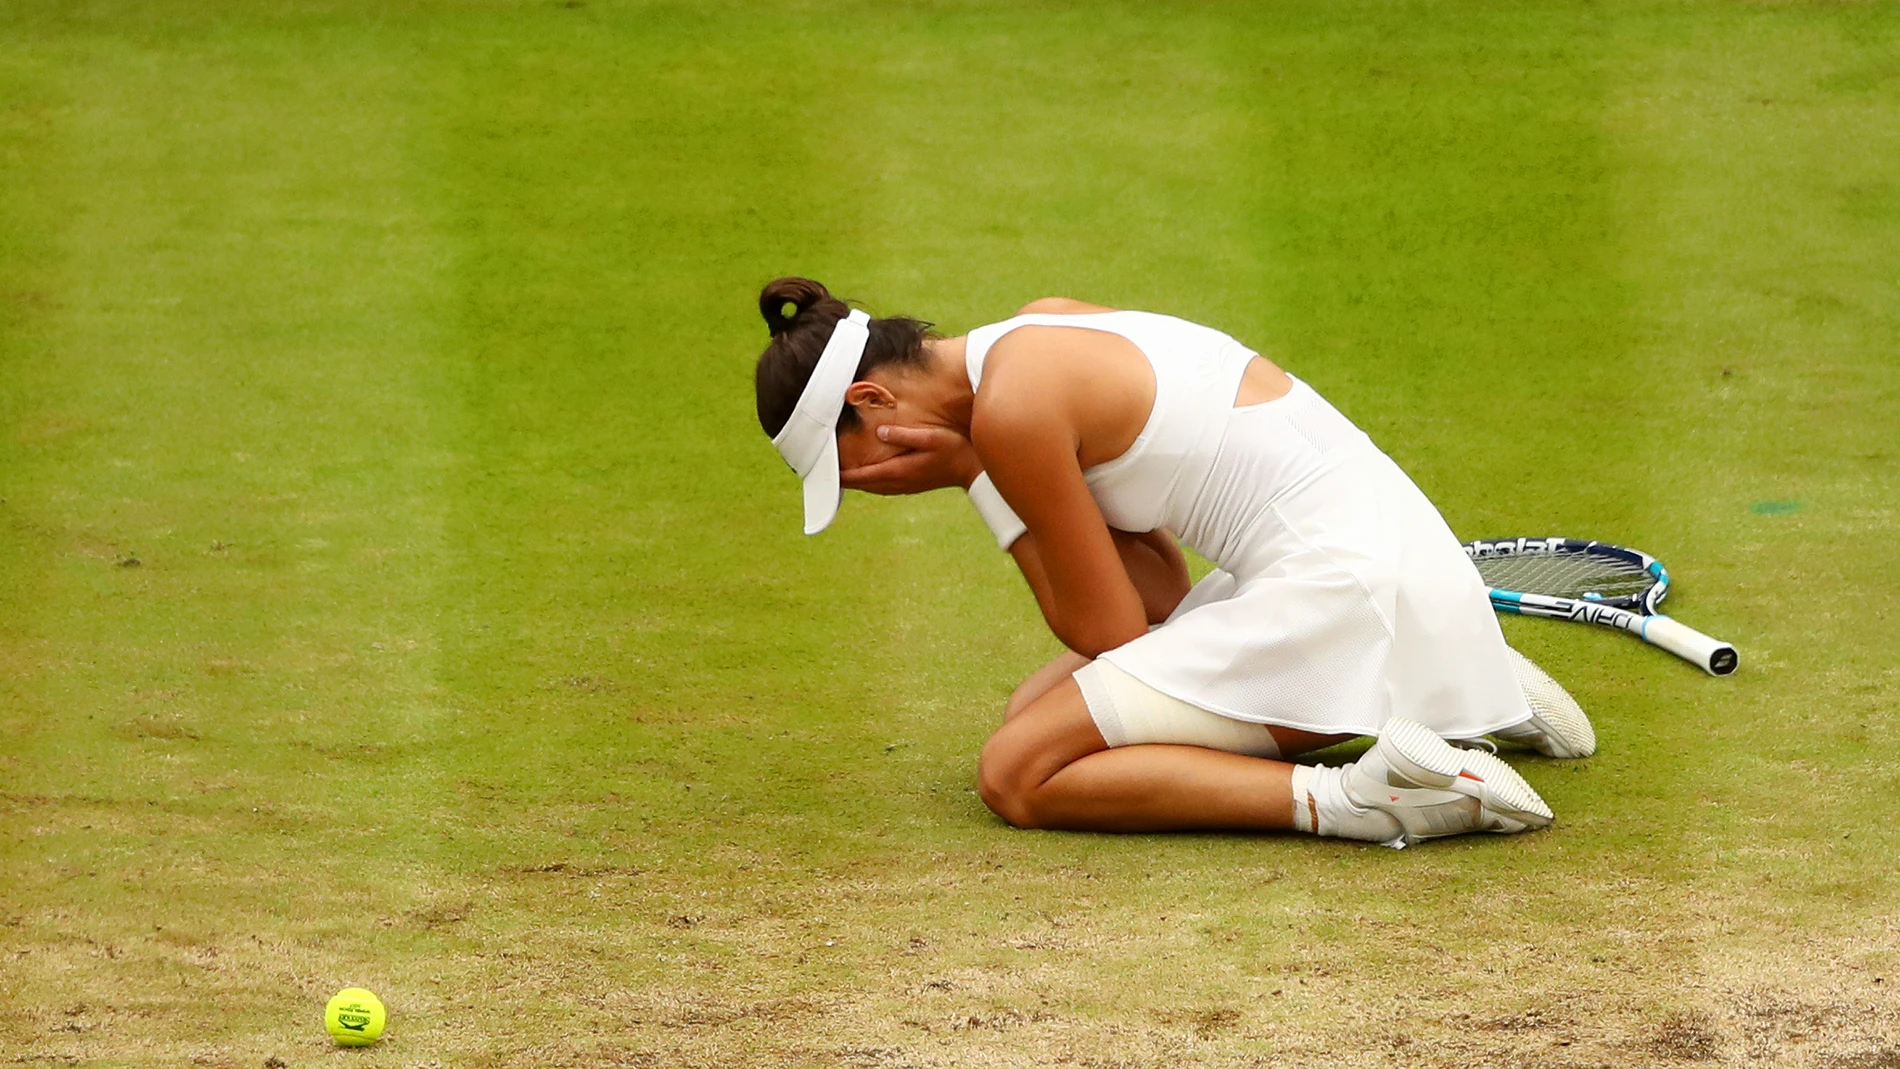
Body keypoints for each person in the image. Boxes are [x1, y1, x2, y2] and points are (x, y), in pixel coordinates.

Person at [752, 277, 1594, 847]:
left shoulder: (1012, 413)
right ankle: (1459, 668)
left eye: (846, 467)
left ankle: (1365, 800)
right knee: (1032, 707)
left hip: (1344, 590)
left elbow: (1109, 628)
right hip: (1387, 560)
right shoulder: (1044, 325)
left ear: (872, 402)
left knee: (1016, 771)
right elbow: (1159, 592)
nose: (865, 488)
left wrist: (977, 474)